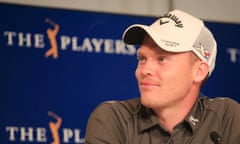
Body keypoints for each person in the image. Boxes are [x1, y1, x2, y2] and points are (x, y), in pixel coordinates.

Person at [85, 9, 240, 144]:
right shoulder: (113, 119)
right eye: (142, 59)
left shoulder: (227, 118)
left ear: (198, 71)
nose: (145, 70)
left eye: (162, 59)